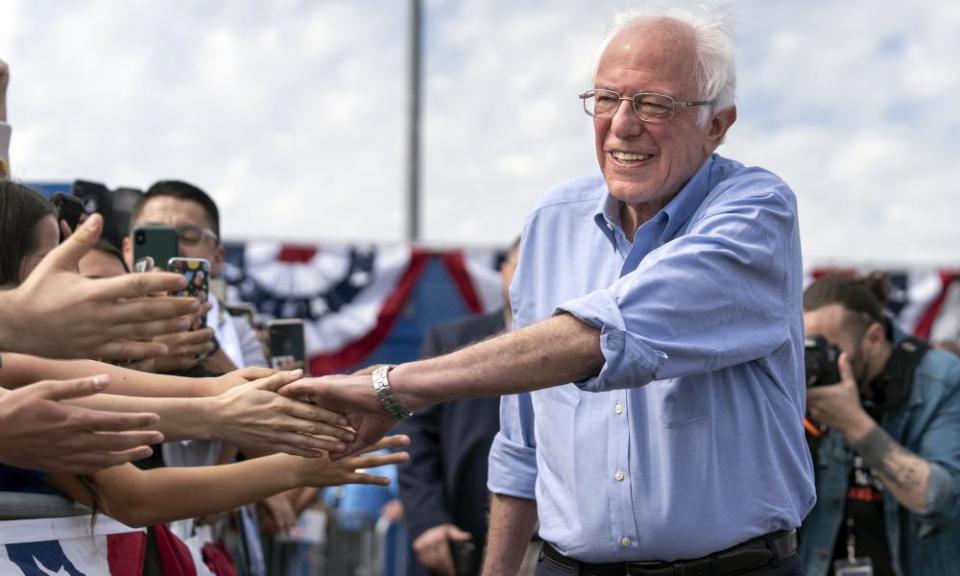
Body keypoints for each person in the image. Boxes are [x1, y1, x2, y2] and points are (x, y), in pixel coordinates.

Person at [283, 5, 814, 576]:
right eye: (606, 98)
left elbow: (608, 333)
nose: (623, 124)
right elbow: (522, 440)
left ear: (717, 124)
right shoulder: (553, 219)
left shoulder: (755, 210)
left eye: (654, 103)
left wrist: (394, 387)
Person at [800, 273, 960, 576]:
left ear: (874, 338)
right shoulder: (805, 387)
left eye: (827, 349)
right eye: (808, 348)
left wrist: (854, 424)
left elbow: (940, 499)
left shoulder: (941, 380)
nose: (816, 361)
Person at [398, 239, 519, 576]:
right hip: (462, 541)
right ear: (503, 271)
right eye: (520, 265)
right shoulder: (453, 344)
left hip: (556, 547)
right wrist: (428, 520)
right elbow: (415, 439)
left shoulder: (588, 350)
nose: (528, 276)